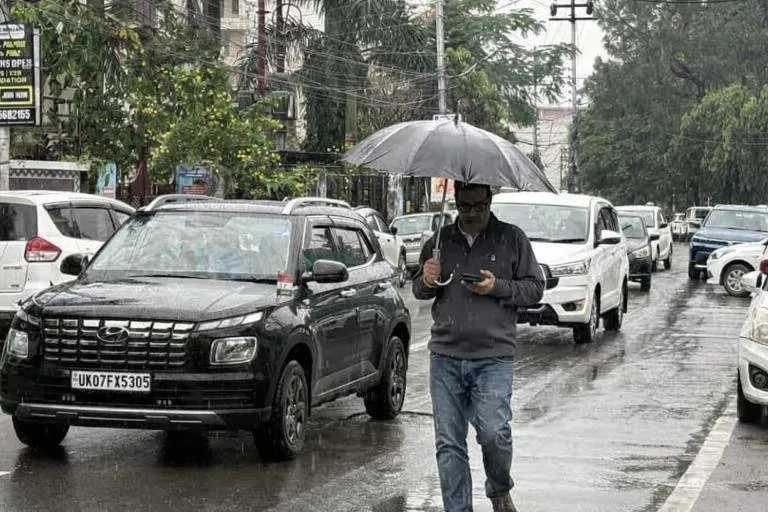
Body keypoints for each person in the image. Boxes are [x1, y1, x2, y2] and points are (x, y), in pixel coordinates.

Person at [412, 181, 545, 512]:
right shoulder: (439, 241)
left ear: (490, 200)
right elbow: (419, 289)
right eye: (464, 206)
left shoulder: (512, 238)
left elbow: (535, 288)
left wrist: (497, 286)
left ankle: (499, 488)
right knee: (449, 444)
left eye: (478, 206)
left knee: (493, 433)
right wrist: (426, 279)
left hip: (493, 357)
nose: (471, 214)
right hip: (445, 356)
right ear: (455, 200)